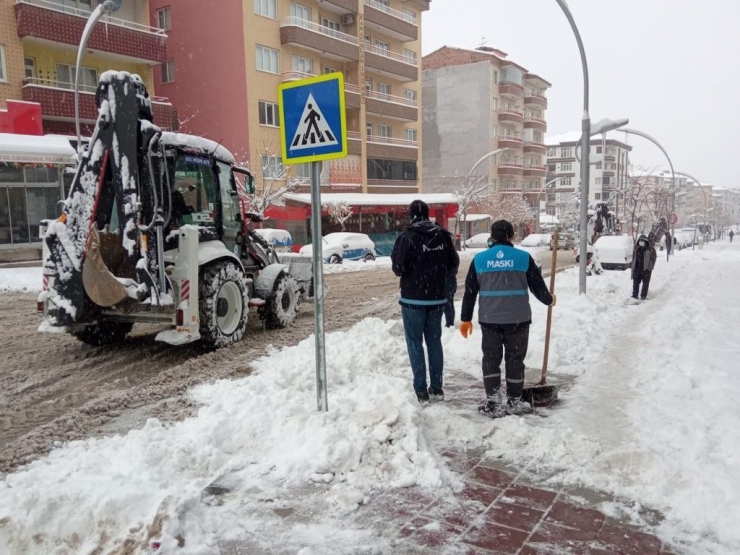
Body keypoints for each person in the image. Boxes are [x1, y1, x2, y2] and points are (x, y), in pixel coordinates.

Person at [459, 220, 555, 418]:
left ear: (492, 237)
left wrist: (466, 318)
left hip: (490, 320)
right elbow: (538, 288)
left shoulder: (480, 259)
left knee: (491, 361)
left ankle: (493, 403)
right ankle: (514, 402)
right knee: (515, 361)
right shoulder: (523, 258)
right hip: (518, 320)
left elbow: (469, 292)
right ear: (512, 236)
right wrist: (549, 299)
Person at [391, 200, 459, 403]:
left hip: (412, 299)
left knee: (414, 343)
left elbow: (397, 268)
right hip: (437, 299)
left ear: (411, 215)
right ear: (428, 214)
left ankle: (421, 389)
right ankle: (437, 388)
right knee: (434, 342)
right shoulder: (443, 236)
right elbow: (453, 264)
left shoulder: (406, 237)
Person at [631, 234, 657, 300]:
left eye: (643, 241)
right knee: (635, 283)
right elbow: (633, 258)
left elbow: (653, 258)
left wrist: (650, 267)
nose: (641, 242)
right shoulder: (636, 249)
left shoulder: (650, 249)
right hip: (637, 269)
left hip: (646, 270)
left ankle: (643, 296)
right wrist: (633, 268)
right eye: (640, 240)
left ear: (646, 241)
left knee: (645, 284)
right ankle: (634, 296)